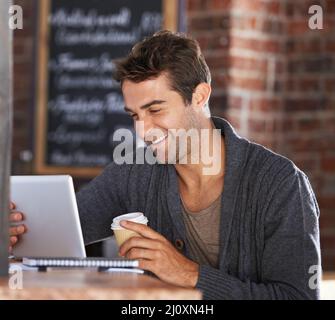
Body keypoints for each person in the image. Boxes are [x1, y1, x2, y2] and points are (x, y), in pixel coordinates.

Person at [9, 30, 321, 300]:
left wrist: (188, 273)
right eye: (134, 115)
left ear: (199, 96)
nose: (142, 131)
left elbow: (297, 296)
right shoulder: (133, 171)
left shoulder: (280, 184)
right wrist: (17, 231)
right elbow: (66, 231)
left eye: (155, 109)